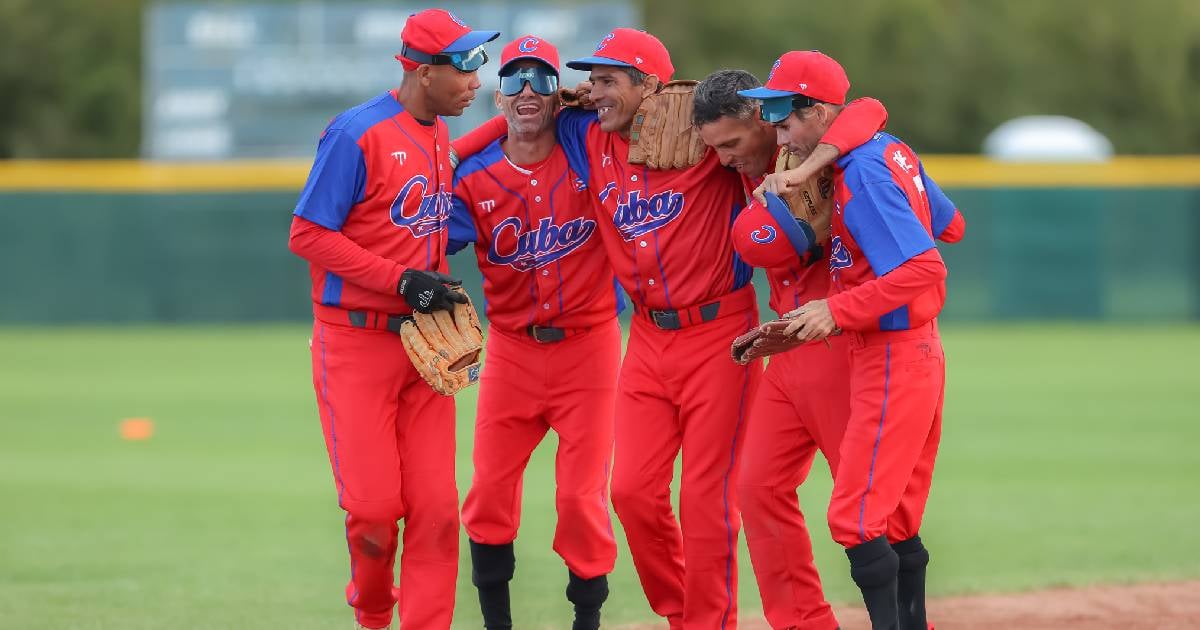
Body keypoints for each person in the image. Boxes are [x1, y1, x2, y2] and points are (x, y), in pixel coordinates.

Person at [286, 9, 498, 629]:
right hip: (354, 345)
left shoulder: (434, 132)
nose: (475, 79)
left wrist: (518, 119)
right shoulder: (356, 134)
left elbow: (448, 154)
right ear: (423, 71)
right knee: (375, 510)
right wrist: (402, 280)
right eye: (464, 66)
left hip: (424, 348)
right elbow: (307, 234)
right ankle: (375, 613)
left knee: (436, 511)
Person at [739, 50, 965, 630]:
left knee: (856, 518)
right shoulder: (886, 152)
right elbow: (951, 223)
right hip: (914, 350)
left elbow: (925, 267)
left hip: (891, 352)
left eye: (785, 113)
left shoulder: (861, 171)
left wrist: (836, 308)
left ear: (816, 111)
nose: (777, 128)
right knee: (891, 514)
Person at [693, 69, 885, 630]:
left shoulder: (810, 149)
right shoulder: (748, 167)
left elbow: (867, 108)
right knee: (759, 489)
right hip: (788, 346)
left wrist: (809, 164)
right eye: (715, 147)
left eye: (732, 143)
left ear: (765, 121)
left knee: (869, 507)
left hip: (841, 341)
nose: (724, 158)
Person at [446, 35, 622, 630]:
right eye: (516, 80)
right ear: (498, 97)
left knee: (579, 499)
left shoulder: (589, 153)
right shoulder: (472, 177)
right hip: (512, 353)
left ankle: (587, 622)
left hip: (590, 348)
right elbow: (425, 247)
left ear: (558, 96)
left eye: (542, 80)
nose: (528, 91)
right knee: (490, 493)